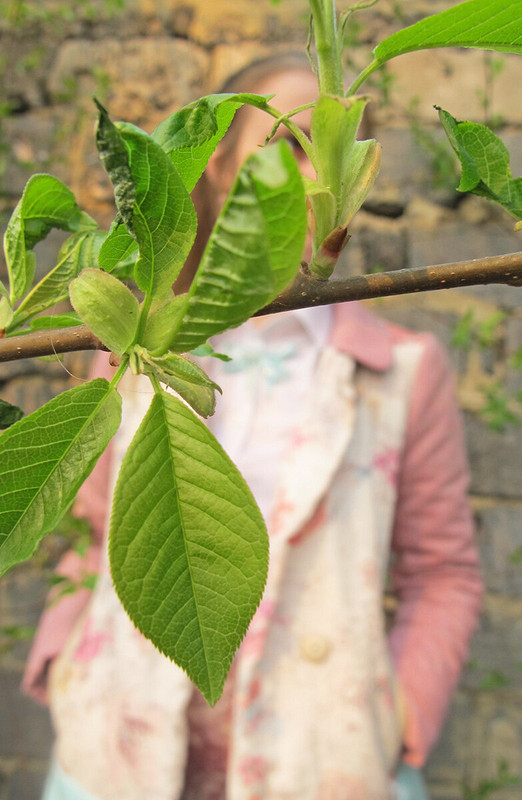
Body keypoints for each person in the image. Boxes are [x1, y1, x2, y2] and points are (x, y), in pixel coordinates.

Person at [23, 53, 483, 800]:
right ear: (218, 174)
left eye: (330, 153)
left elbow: (444, 575)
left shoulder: (402, 372)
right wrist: (63, 654)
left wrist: (403, 712)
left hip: (323, 764)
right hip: (112, 753)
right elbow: (91, 528)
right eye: (284, 145)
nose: (310, 177)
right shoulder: (134, 352)